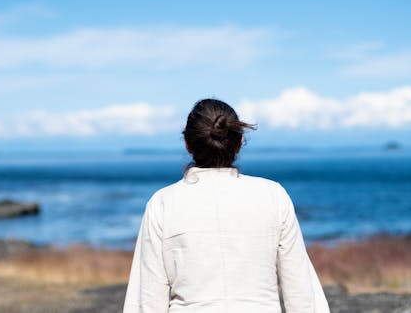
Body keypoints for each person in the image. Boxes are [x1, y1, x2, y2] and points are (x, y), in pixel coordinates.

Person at [123, 98, 329, 312]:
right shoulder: (273, 195)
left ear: (188, 144)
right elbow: (301, 292)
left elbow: (147, 299)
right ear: (239, 143)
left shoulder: (162, 202)